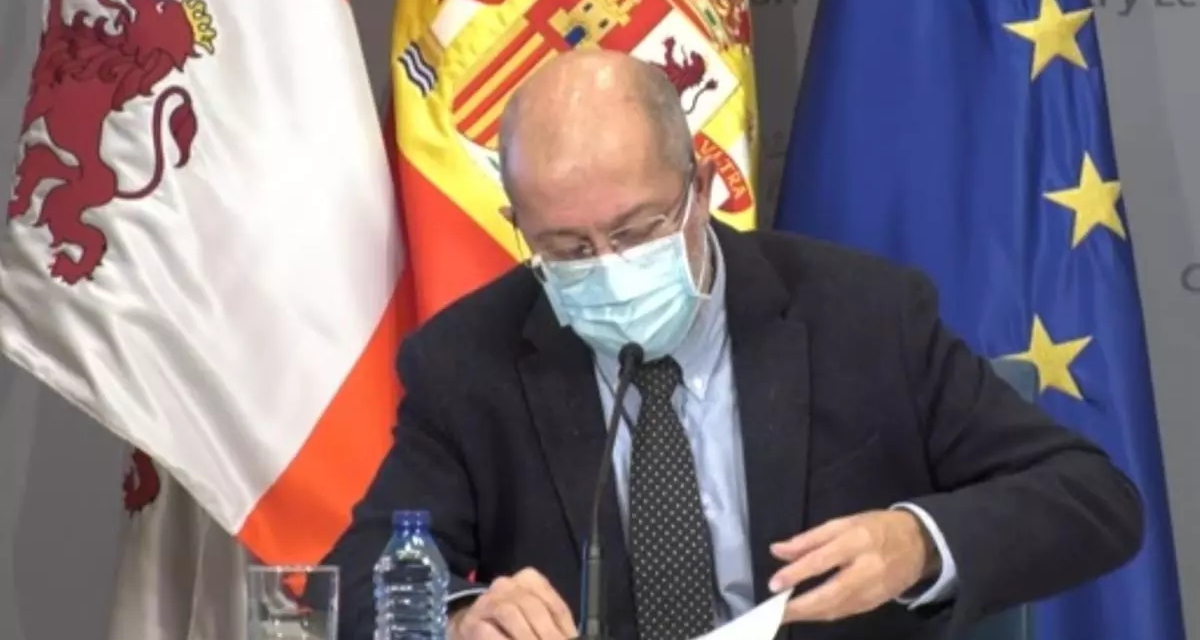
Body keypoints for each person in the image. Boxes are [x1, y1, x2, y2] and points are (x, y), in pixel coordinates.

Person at [322, 49, 1144, 640]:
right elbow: (361, 572)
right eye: (567, 248)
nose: (609, 265)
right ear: (519, 229)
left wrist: (916, 542)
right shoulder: (469, 359)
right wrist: (460, 614)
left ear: (702, 190)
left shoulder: (864, 315)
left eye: (637, 229)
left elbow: (1092, 496)